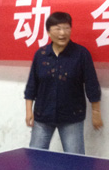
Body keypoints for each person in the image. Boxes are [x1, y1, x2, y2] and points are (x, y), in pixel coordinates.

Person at [24, 11, 103, 155]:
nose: (63, 33)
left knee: (75, 161)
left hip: (71, 117)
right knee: (35, 158)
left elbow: (92, 85)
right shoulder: (41, 55)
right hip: (43, 116)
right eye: (58, 29)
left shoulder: (81, 54)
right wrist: (29, 110)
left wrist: (96, 112)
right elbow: (32, 85)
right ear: (48, 32)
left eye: (66, 28)